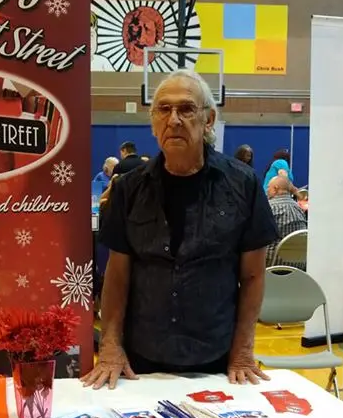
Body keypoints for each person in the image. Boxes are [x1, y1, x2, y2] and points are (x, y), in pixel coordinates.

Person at [83, 69, 278, 389]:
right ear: (152, 121)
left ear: (209, 119)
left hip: (217, 361)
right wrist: (109, 348)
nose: (173, 119)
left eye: (186, 108)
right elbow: (117, 276)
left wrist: (243, 351)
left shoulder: (243, 184)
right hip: (139, 361)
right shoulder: (129, 189)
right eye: (163, 109)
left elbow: (253, 276)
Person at [265, 176, 307, 266]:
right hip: (298, 264)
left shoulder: (268, 207)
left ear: (275, 189)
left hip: (272, 263)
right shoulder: (299, 208)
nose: (266, 190)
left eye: (268, 187)